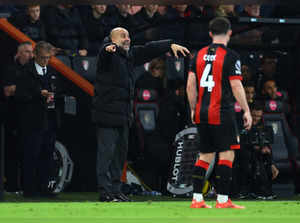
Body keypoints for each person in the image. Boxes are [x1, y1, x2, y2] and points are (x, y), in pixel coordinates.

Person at [92, 27, 190, 202]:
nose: (127, 39)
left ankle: (116, 190)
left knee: (119, 156)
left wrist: (170, 44)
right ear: (113, 39)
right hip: (106, 115)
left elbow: (149, 48)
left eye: (128, 36)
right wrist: (108, 48)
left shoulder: (129, 55)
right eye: (123, 36)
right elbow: (104, 54)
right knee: (106, 155)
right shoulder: (108, 55)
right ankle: (104, 191)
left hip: (123, 115)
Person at [186, 17, 252, 209]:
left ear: (210, 33)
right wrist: (246, 110)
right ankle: (222, 200)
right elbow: (235, 84)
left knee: (205, 155)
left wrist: (192, 108)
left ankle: (197, 199)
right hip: (221, 112)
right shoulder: (231, 56)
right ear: (230, 32)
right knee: (227, 153)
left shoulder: (198, 54)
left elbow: (190, 85)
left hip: (202, 111)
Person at [14, 41, 58, 197]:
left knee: (47, 154)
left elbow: (56, 92)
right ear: (35, 55)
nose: (46, 60)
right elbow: (19, 96)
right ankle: (29, 189)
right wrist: (38, 95)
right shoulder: (25, 72)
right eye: (43, 58)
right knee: (31, 155)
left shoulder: (52, 71)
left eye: (48, 58)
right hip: (31, 121)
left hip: (49, 120)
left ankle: (44, 187)